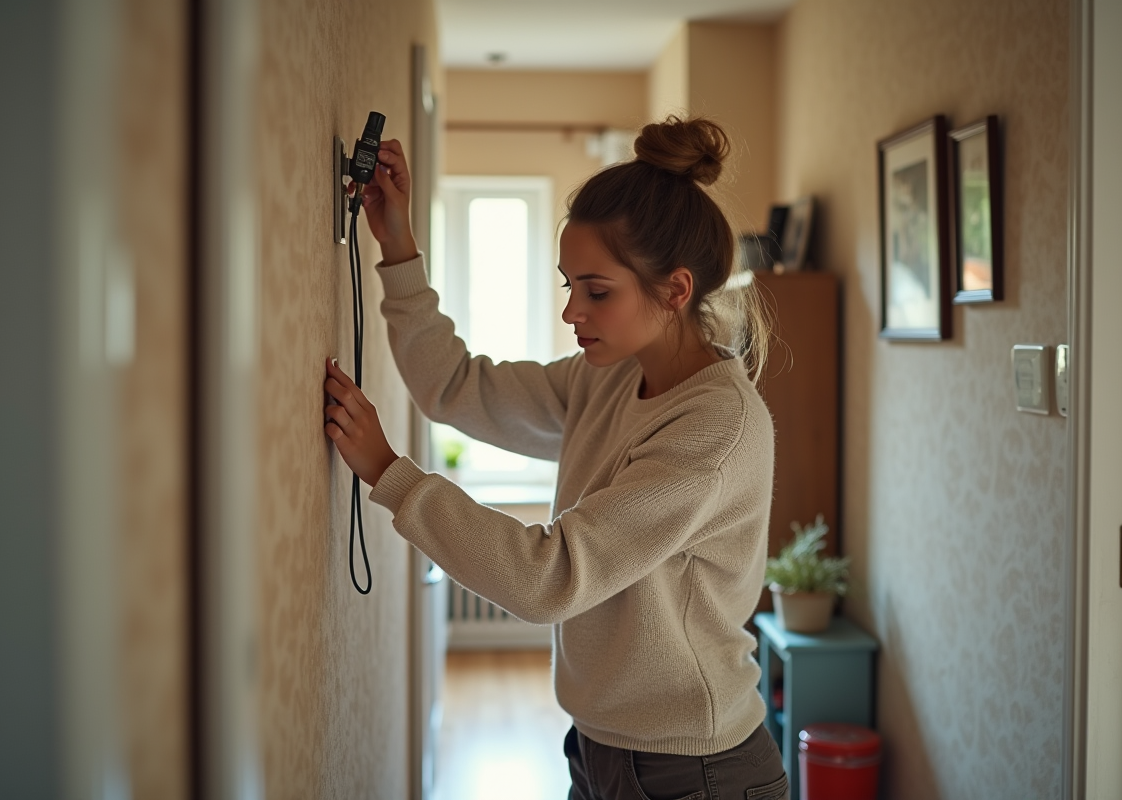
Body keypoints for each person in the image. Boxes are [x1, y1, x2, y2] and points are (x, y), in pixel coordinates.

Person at [323, 115, 788, 800]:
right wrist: (398, 248)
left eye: (597, 291)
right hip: (600, 747)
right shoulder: (609, 374)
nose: (572, 311)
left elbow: (551, 577)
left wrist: (391, 475)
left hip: (694, 771)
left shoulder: (715, 429)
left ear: (676, 290)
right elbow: (457, 387)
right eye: (569, 284)